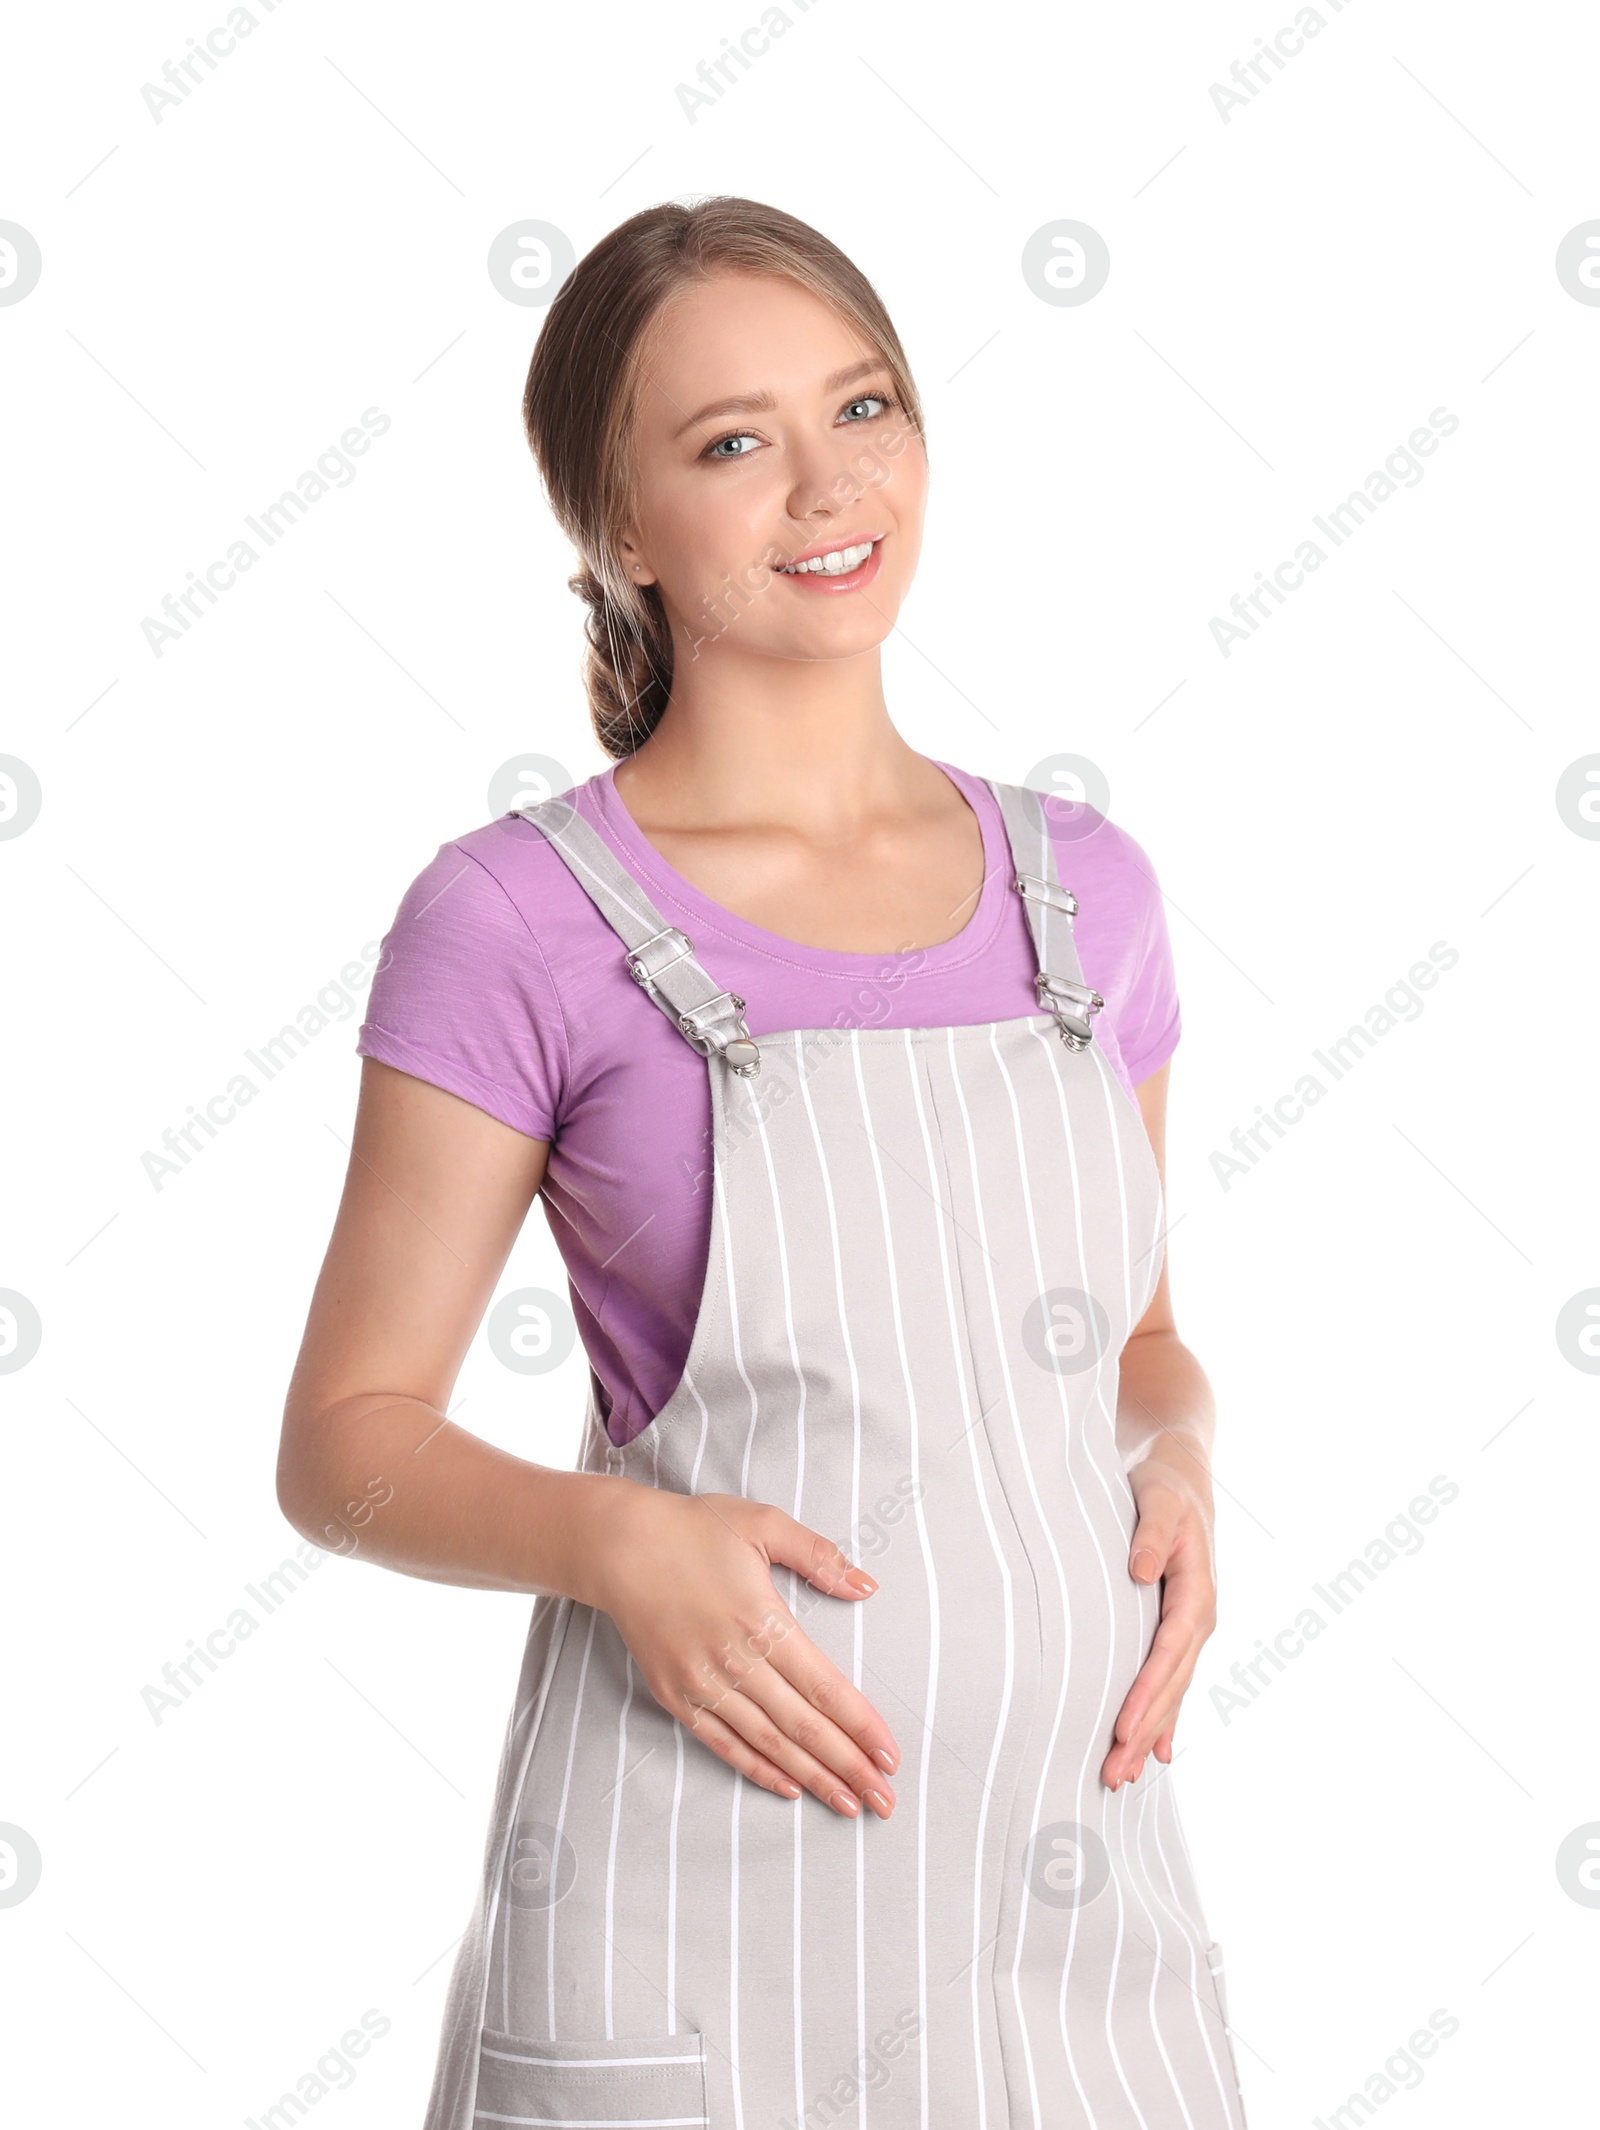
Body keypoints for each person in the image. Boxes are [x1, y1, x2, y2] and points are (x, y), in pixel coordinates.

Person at [277, 195, 1247, 2130]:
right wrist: (615, 1540)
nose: (828, 484)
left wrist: (1183, 1451)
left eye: (864, 406)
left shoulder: (1090, 899)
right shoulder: (520, 921)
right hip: (688, 1908)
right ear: (619, 529)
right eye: (733, 442)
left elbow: (1130, 1340)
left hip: (1074, 1901)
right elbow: (344, 1442)